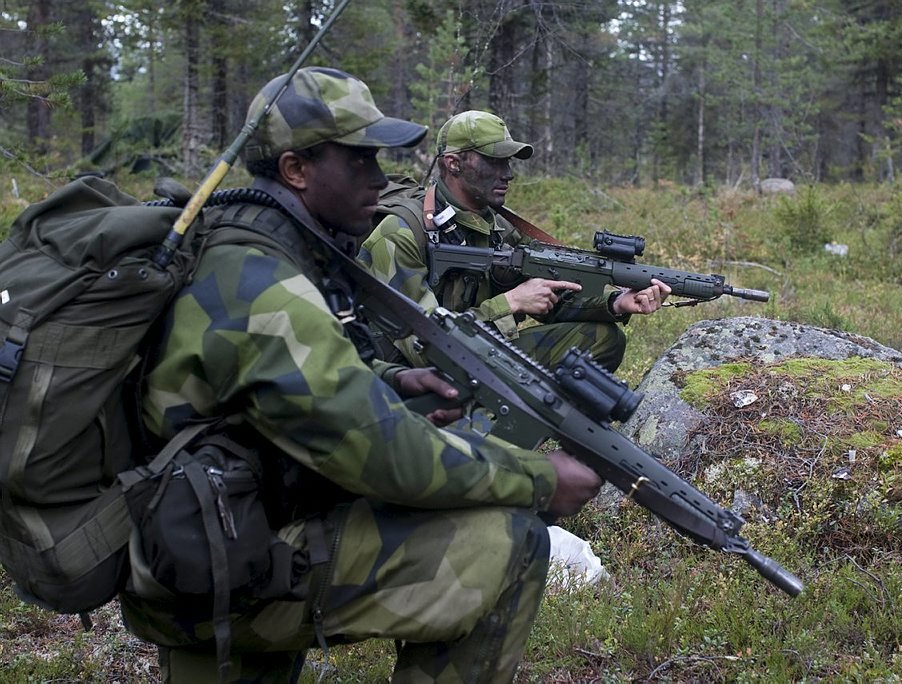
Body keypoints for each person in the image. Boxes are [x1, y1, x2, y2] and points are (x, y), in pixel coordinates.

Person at [117, 67, 603, 683]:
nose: (380, 178)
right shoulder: (268, 287)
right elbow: (381, 455)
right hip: (215, 559)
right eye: (359, 161)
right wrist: (536, 477)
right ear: (296, 170)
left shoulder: (250, 245)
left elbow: (264, 385)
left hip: (200, 532)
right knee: (508, 543)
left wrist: (389, 379)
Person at [357, 110, 671, 372]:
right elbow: (424, 346)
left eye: (508, 162)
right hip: (409, 379)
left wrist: (615, 303)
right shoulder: (400, 233)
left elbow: (551, 300)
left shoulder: (498, 228)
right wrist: (510, 303)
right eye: (494, 161)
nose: (508, 173)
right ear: (454, 163)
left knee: (603, 337)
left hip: (474, 355)